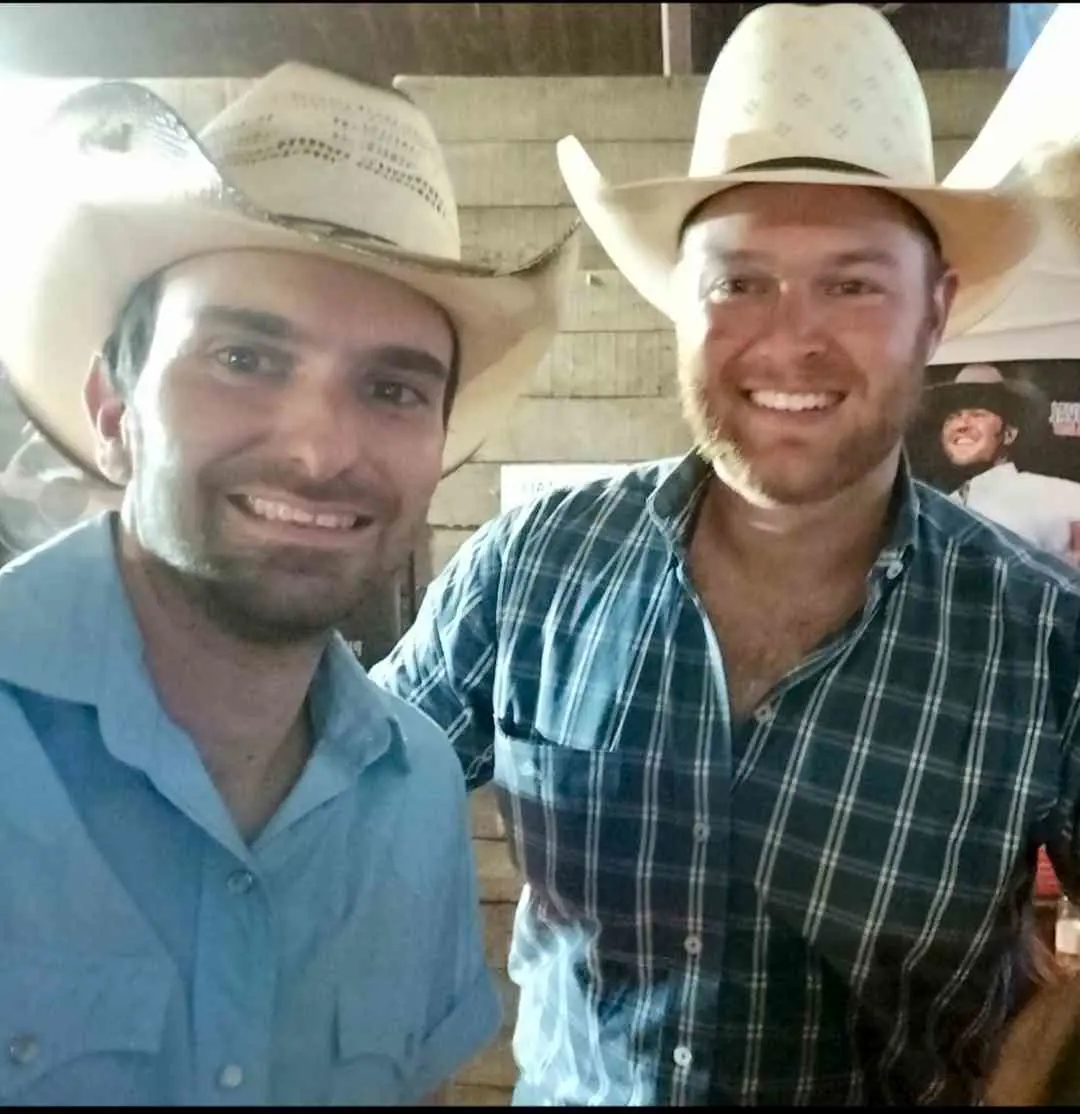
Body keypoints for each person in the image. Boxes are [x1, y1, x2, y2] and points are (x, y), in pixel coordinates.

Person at [370, 3, 1080, 1105]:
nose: (789, 338)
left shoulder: (1046, 640)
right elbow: (336, 810)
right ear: (676, 301)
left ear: (935, 312)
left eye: (852, 283)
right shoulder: (530, 569)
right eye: (739, 281)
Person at [0, 62, 578, 1106]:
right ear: (114, 410)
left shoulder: (417, 787)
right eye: (243, 358)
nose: (319, 453)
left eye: (392, 388)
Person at [922, 362, 1080, 563]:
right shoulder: (933, 508)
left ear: (1009, 434)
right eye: (953, 416)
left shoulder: (1055, 496)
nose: (961, 424)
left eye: (978, 414)